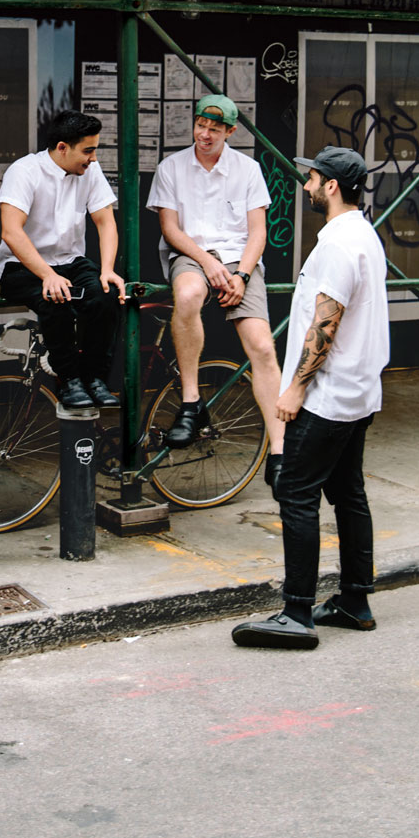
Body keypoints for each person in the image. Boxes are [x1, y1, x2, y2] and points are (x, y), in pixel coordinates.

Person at [232, 146, 389, 649]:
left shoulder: (339, 245)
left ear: (332, 186)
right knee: (348, 493)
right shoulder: (362, 233)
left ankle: (297, 614)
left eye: (312, 178)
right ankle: (355, 601)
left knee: (295, 492)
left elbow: (326, 322)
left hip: (327, 396)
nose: (306, 186)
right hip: (358, 393)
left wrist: (294, 388)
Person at [146, 93, 283, 487]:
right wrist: (208, 263)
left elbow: (258, 233)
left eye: (215, 128)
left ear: (230, 131)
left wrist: (240, 275)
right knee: (187, 295)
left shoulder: (248, 169)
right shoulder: (172, 167)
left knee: (261, 345)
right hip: (191, 254)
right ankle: (191, 402)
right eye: (200, 126)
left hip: (241, 259)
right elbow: (170, 230)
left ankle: (280, 451)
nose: (205, 134)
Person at [0, 109, 125, 410]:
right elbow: (11, 232)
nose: (92, 158)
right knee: (55, 298)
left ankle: (94, 378)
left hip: (69, 261)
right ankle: (69, 381)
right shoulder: (24, 171)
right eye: (87, 150)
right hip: (20, 264)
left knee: (105, 296)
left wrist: (107, 270)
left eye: (95, 150)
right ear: (63, 147)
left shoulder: (89, 170)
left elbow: (106, 222)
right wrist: (46, 275)